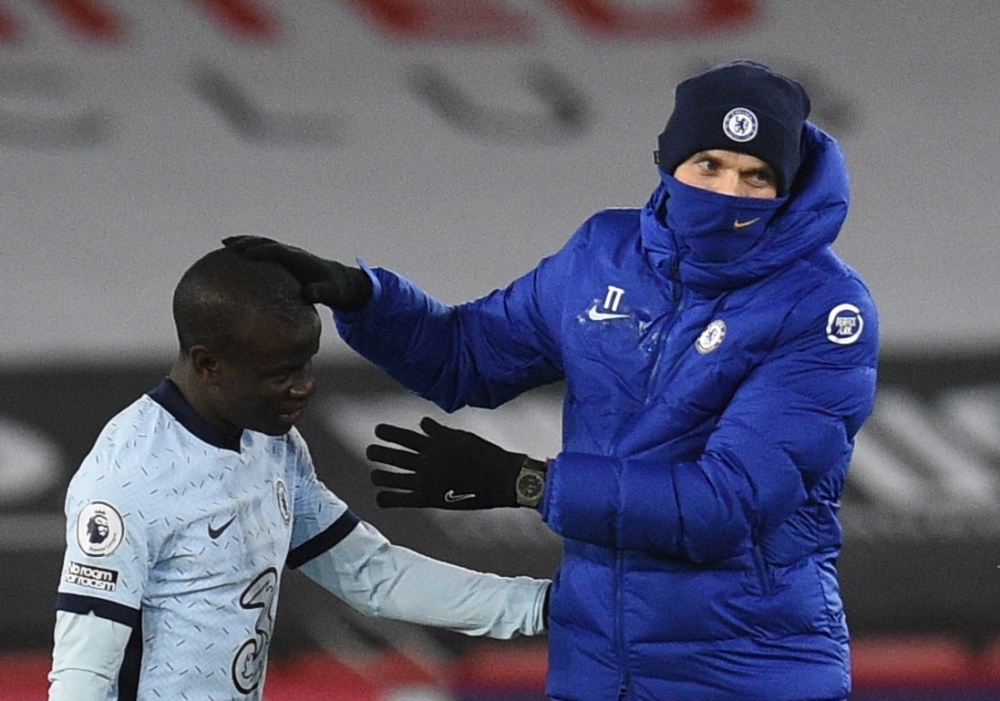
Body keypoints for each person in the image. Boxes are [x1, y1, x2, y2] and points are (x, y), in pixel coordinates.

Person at [226, 59, 879, 700]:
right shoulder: (601, 254)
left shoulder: (824, 311)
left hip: (750, 667)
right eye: (709, 165)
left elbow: (722, 505)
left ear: (785, 187)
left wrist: (526, 481)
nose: (727, 193)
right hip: (599, 665)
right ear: (669, 160)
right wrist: (362, 296)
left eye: (754, 175)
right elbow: (468, 354)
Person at [47, 248, 550, 701]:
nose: (304, 388)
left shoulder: (272, 443)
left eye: (306, 365)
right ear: (208, 364)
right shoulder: (127, 477)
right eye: (280, 374)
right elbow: (82, 670)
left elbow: (370, 575)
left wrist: (538, 604)